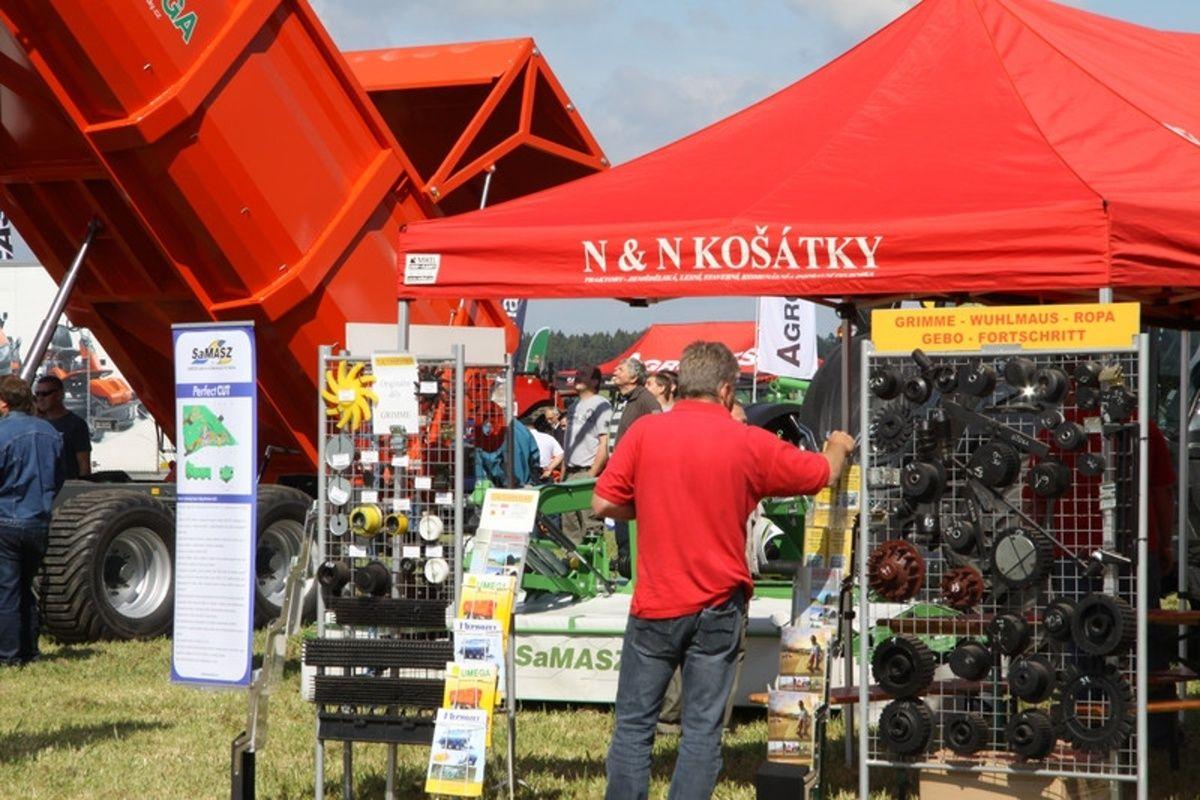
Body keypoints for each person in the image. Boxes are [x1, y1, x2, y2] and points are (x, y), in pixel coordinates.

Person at [593, 341, 854, 800]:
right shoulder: (747, 441)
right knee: (702, 731)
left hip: (656, 603)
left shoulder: (645, 432)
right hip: (719, 605)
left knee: (634, 727)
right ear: (727, 390)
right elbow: (820, 474)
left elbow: (603, 502)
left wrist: (651, 506)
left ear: (683, 383)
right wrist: (838, 446)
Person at [0, 375, 64, 666]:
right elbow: (60, 477)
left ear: (4, 402)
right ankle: (30, 651)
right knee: (26, 587)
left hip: (7, 518)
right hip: (39, 520)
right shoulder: (50, 432)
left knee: (7, 590)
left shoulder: (3, 433)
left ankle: (9, 656)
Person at [610, 357, 659, 577]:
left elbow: (658, 430)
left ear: (633, 377)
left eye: (620, 369)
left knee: (632, 524)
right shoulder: (622, 399)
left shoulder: (645, 399)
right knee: (621, 523)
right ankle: (626, 566)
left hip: (636, 474)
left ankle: (636, 569)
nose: (615, 371)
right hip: (619, 472)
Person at [561, 364, 612, 542]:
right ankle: (573, 556)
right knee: (569, 523)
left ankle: (592, 557)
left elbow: (604, 442)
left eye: (584, 375)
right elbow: (569, 443)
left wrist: (592, 473)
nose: (578, 378)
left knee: (590, 523)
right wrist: (563, 472)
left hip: (586, 471)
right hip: (569, 472)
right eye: (577, 374)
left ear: (595, 381)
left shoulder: (601, 405)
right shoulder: (573, 406)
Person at [33, 374, 91, 480]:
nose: (40, 398)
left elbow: (84, 465)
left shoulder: (76, 424)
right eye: (37, 394)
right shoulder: (35, 423)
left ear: (59, 395)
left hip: (66, 486)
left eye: (45, 394)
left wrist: (82, 486)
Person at [530, 412, 564, 482]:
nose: (549, 422)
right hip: (546, 473)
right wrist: (550, 468)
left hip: (531, 472)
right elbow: (560, 454)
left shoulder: (523, 437)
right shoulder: (549, 437)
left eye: (550, 419)